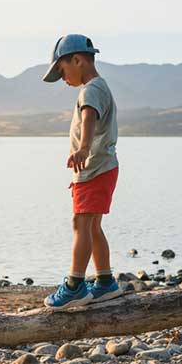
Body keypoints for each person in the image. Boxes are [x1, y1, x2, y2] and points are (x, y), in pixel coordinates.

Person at [41, 34, 124, 309]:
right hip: (103, 168)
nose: (63, 78)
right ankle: (105, 282)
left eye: (62, 70)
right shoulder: (100, 87)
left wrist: (84, 148)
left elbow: (89, 116)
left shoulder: (90, 91)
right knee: (93, 227)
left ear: (77, 60)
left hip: (94, 168)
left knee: (80, 225)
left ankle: (75, 285)